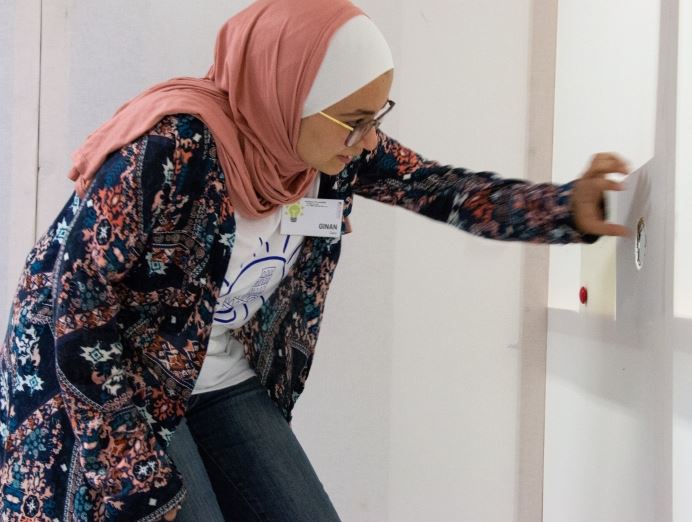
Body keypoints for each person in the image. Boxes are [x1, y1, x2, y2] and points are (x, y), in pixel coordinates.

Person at [0, 0, 630, 520]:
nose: (368, 140)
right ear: (288, 95)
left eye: (377, 117)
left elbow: (441, 189)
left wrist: (565, 208)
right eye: (353, 121)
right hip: (109, 379)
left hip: (212, 371)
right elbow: (74, 308)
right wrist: (131, 471)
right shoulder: (172, 150)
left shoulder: (323, 156)